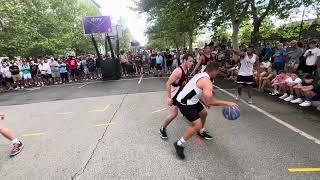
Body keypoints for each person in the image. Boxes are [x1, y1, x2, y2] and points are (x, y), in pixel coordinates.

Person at [174, 61, 238, 159]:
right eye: (218, 71)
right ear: (213, 70)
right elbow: (210, 102)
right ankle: (179, 144)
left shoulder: (201, 74)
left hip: (192, 99)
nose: (218, 73)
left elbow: (196, 90)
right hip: (185, 102)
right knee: (197, 124)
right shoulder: (207, 82)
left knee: (203, 113)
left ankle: (201, 131)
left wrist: (204, 101)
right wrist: (228, 103)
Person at [159, 54, 194, 139]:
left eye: (192, 61)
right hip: (174, 95)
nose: (192, 63)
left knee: (191, 104)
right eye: (190, 61)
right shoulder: (178, 71)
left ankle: (190, 118)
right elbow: (168, 83)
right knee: (174, 114)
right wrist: (169, 98)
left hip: (181, 94)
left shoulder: (187, 69)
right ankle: (162, 128)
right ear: (184, 61)